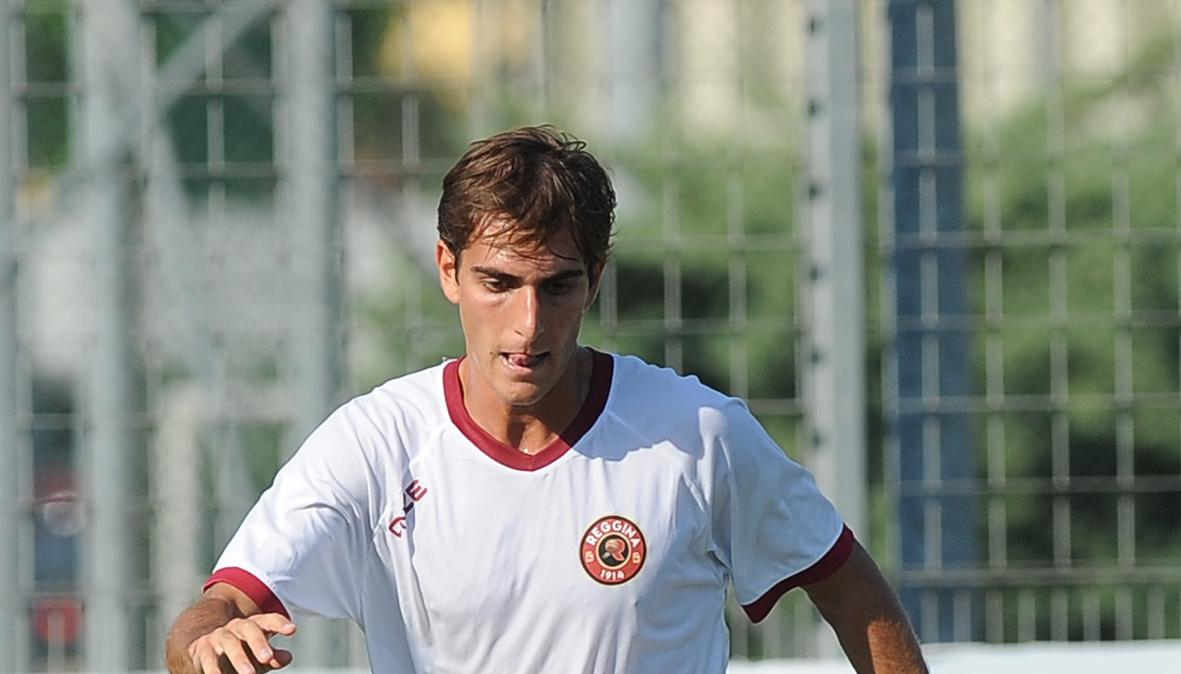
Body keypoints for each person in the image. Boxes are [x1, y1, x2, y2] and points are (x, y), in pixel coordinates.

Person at [164, 126, 927, 674]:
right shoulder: (375, 443)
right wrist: (210, 643)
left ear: (594, 279)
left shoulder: (696, 434)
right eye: (498, 283)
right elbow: (216, 611)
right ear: (448, 270)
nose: (527, 324)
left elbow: (848, 587)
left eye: (556, 286)